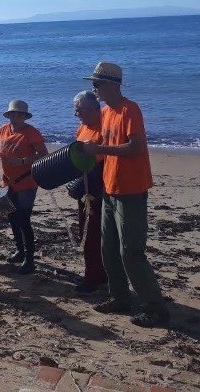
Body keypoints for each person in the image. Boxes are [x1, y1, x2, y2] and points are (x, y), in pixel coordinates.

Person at [81, 62, 169, 327]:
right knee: (108, 249)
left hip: (131, 189)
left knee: (131, 251)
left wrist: (101, 150)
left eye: (96, 84)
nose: (93, 89)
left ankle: (155, 308)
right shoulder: (106, 112)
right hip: (110, 187)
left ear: (111, 85)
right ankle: (119, 297)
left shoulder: (130, 109)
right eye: (93, 84)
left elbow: (136, 148)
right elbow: (103, 148)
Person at [0, 100, 48, 274]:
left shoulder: (32, 133)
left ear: (24, 116)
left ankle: (29, 260)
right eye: (12, 114)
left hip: (27, 181)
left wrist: (22, 161)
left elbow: (44, 154)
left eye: (18, 114)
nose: (15, 117)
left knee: (24, 219)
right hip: (8, 180)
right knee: (12, 217)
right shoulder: (4, 129)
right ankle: (20, 251)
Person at [67, 90, 108, 294]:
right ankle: (99, 274)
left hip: (99, 186)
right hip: (84, 184)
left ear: (92, 108)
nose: (76, 115)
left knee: (93, 235)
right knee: (85, 231)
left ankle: (93, 278)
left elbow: (108, 157)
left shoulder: (105, 126)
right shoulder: (83, 126)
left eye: (79, 110)